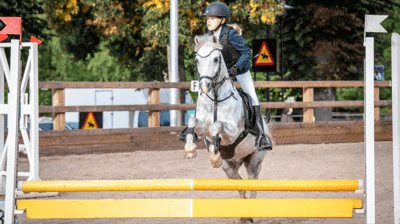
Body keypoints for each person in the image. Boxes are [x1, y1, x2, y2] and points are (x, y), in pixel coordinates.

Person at [180, 1, 272, 151]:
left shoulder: (231, 34)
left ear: (222, 20)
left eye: (212, 18)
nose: (208, 21)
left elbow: (246, 52)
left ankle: (261, 135)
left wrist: (236, 67)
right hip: (220, 74)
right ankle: (193, 132)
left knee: (252, 96)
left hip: (239, 71)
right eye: (207, 18)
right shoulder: (208, 36)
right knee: (202, 94)